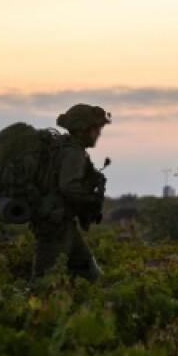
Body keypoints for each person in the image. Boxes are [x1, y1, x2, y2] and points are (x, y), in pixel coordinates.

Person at [30, 103, 110, 281]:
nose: (98, 134)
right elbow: (69, 187)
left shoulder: (64, 148)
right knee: (44, 283)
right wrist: (90, 200)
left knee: (90, 275)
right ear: (83, 130)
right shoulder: (73, 153)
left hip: (63, 225)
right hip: (55, 226)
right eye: (95, 129)